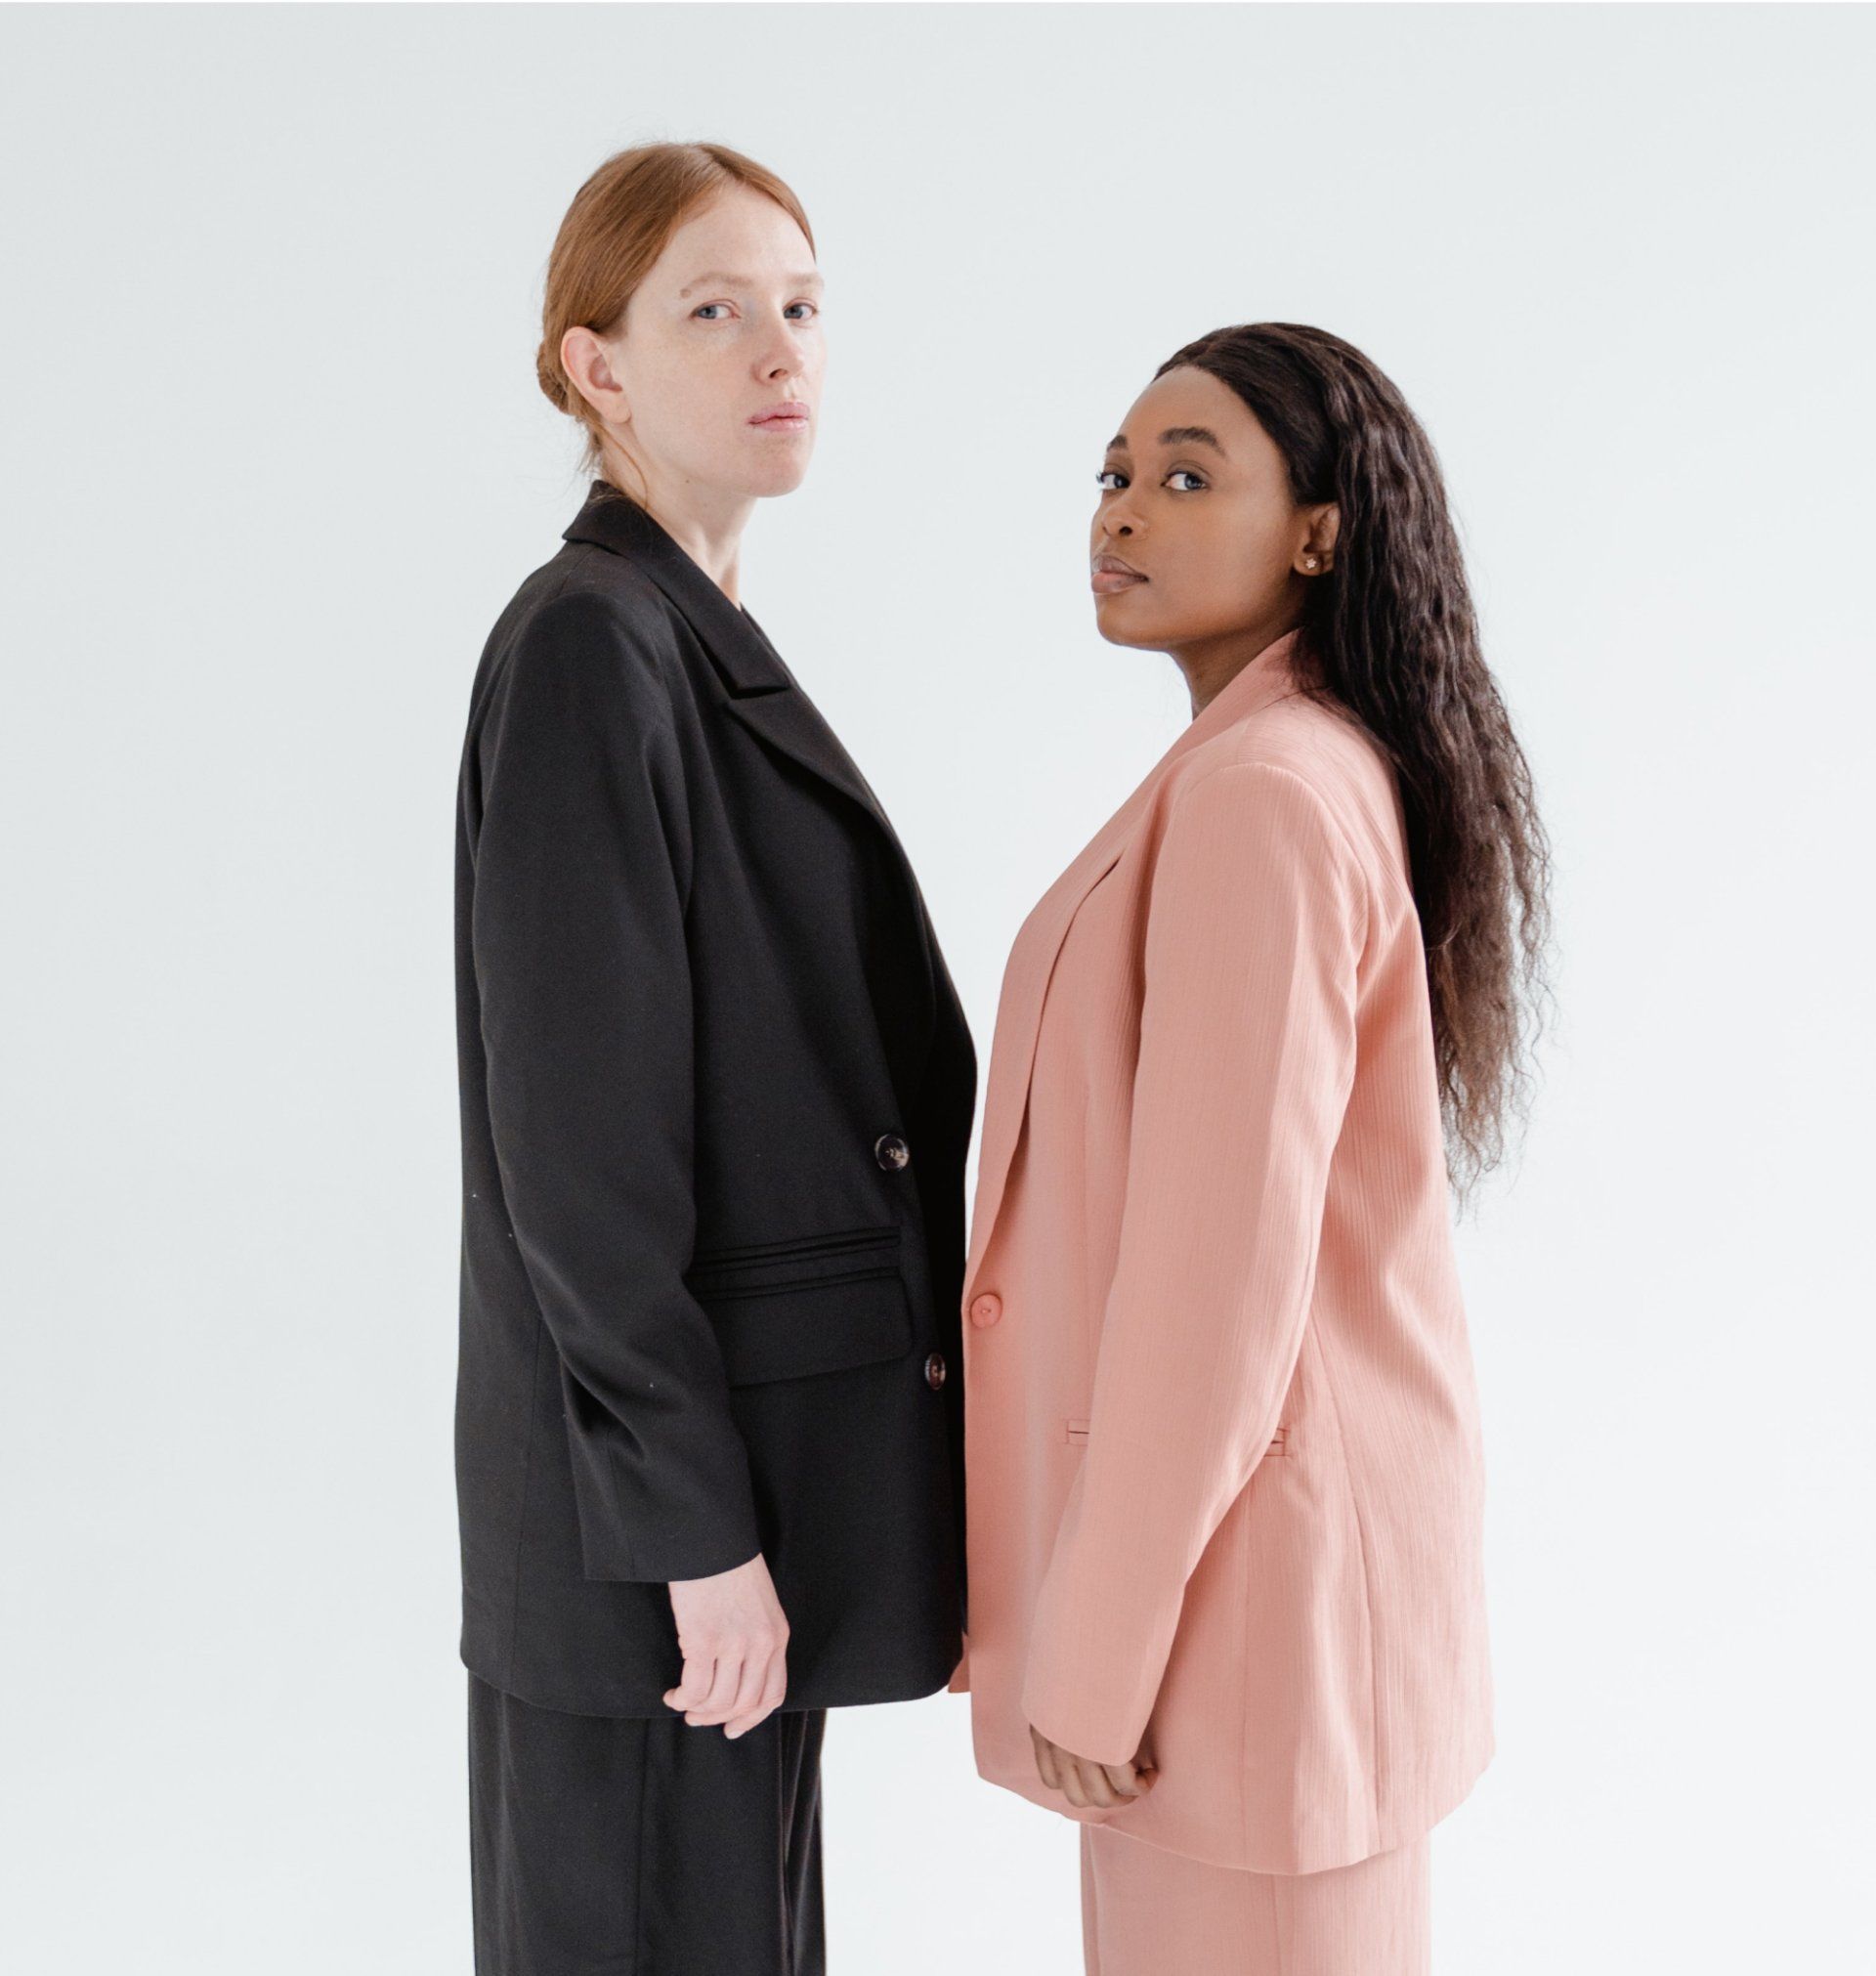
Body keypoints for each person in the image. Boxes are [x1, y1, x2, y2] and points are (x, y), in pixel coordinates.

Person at [955, 323, 1550, 1974]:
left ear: (1319, 532)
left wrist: (1096, 1642)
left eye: (1188, 473)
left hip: (1235, 1633)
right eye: (1116, 475)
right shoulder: (1277, 768)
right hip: (1260, 1622)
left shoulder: (1264, 798)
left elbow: (1216, 1283)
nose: (1123, 510)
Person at [451, 142, 974, 1975]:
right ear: (595, 367)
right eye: (715, 308)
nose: (781, 349)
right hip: (661, 1571)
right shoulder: (597, 645)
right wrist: (700, 1537)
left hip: (728, 1534)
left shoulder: (688, 638)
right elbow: (580, 1163)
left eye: (804, 306)